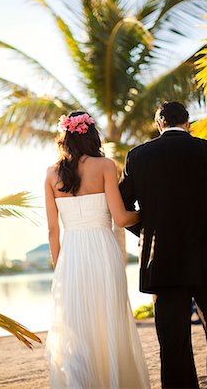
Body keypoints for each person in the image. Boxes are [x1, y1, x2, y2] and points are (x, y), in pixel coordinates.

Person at [119, 101, 207, 389]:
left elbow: (121, 205)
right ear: (188, 122)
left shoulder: (137, 156)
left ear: (159, 124)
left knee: (172, 341)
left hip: (162, 261)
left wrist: (148, 230)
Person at [44, 111, 150, 389]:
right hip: (103, 251)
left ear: (65, 137)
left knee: (77, 327)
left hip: (71, 257)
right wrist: (146, 215)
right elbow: (122, 218)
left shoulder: (51, 174)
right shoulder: (105, 165)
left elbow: (53, 231)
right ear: (92, 135)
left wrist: (59, 270)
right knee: (108, 321)